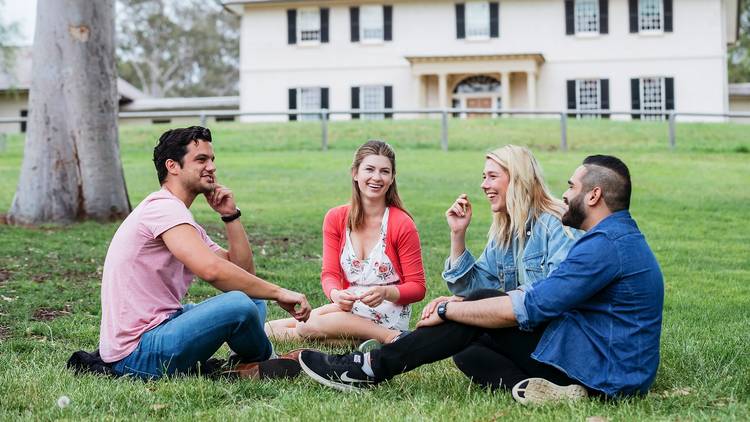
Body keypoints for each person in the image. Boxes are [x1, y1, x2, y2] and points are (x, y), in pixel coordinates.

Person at [299, 155, 665, 405]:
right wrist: (461, 305)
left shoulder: (604, 246)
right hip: (606, 362)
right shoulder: (615, 239)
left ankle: (370, 368)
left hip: (607, 371)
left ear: (594, 194)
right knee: (470, 347)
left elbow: (534, 305)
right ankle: (544, 390)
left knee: (478, 307)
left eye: (571, 187)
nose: (565, 195)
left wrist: (449, 308)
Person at [97, 126, 312, 380]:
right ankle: (266, 361)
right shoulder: (162, 209)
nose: (211, 167)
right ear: (172, 166)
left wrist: (230, 216)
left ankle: (250, 362)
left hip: (162, 329)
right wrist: (279, 292)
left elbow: (242, 273)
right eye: (201, 159)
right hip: (136, 354)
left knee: (252, 297)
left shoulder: (179, 216)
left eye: (212, 160)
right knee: (239, 304)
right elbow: (211, 270)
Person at [265, 140, 426, 346]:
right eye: (369, 169)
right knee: (269, 330)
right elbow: (330, 274)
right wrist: (336, 294)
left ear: (392, 177)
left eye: (384, 171)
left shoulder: (401, 223)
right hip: (350, 306)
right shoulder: (336, 218)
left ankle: (390, 336)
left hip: (388, 311)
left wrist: (386, 292)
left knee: (305, 326)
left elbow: (417, 288)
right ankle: (367, 340)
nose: (377, 177)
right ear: (355, 173)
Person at [442, 144, 580, 299]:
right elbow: (469, 289)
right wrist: (457, 233)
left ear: (518, 180)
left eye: (492, 176)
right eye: (484, 177)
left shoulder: (558, 225)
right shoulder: (507, 230)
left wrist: (457, 308)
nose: (484, 185)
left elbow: (557, 293)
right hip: (522, 317)